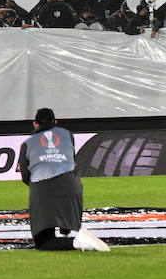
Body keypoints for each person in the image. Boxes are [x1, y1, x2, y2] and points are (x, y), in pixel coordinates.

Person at [17, 107, 110, 251]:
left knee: (44, 243)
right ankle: (65, 226)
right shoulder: (68, 135)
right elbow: (70, 162)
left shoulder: (27, 143)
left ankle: (78, 242)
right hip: (72, 188)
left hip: (44, 192)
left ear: (35, 124)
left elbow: (25, 176)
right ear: (55, 122)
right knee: (65, 188)